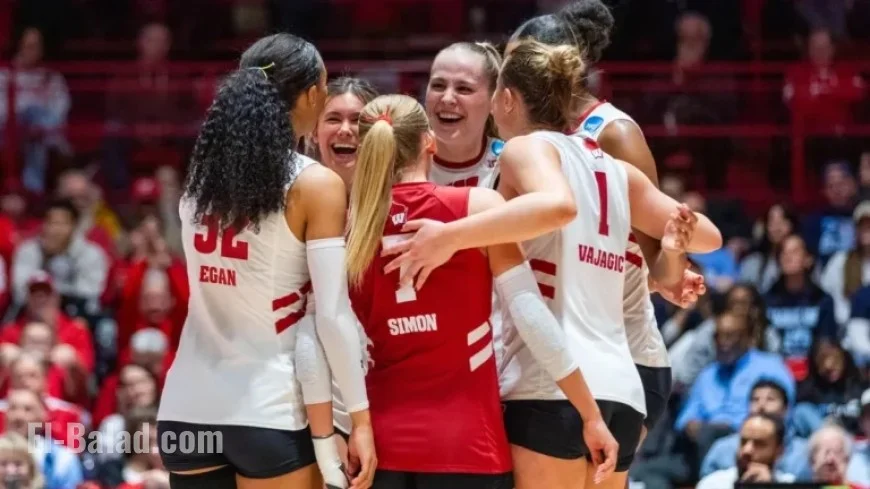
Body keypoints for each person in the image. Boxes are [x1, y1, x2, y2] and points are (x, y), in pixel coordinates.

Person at [385, 40, 722, 489]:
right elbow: (710, 236)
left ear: (506, 98)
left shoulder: (524, 150)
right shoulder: (616, 171)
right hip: (621, 390)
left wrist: (449, 236)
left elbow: (558, 206)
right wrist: (676, 241)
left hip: (550, 383)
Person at [345, 92, 619, 489]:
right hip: (467, 443)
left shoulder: (349, 225)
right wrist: (590, 414)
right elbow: (530, 314)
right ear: (429, 142)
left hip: (379, 444)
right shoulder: (477, 205)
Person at [155, 33, 375, 489]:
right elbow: (332, 318)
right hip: (268, 413)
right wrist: (361, 420)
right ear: (313, 93)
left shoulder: (196, 187)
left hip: (185, 411)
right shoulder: (315, 185)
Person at [508, 0, 700, 440]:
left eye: (517, 62)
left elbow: (663, 265)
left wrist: (671, 266)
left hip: (624, 355)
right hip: (554, 351)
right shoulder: (525, 135)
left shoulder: (614, 132)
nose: (506, 76)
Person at [426, 41, 504, 190]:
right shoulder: (399, 159)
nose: (447, 98)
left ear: (493, 100)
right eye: (438, 86)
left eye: (464, 89)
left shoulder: (509, 162)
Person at [310, 77, 379, 188]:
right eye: (334, 119)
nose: (345, 130)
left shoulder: (399, 199)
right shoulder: (291, 195)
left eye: (357, 120)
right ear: (314, 131)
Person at [695, 413, 796, 489]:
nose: (746, 450)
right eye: (743, 441)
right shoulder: (711, 484)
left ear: (779, 451)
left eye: (759, 444)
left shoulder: (791, 484)